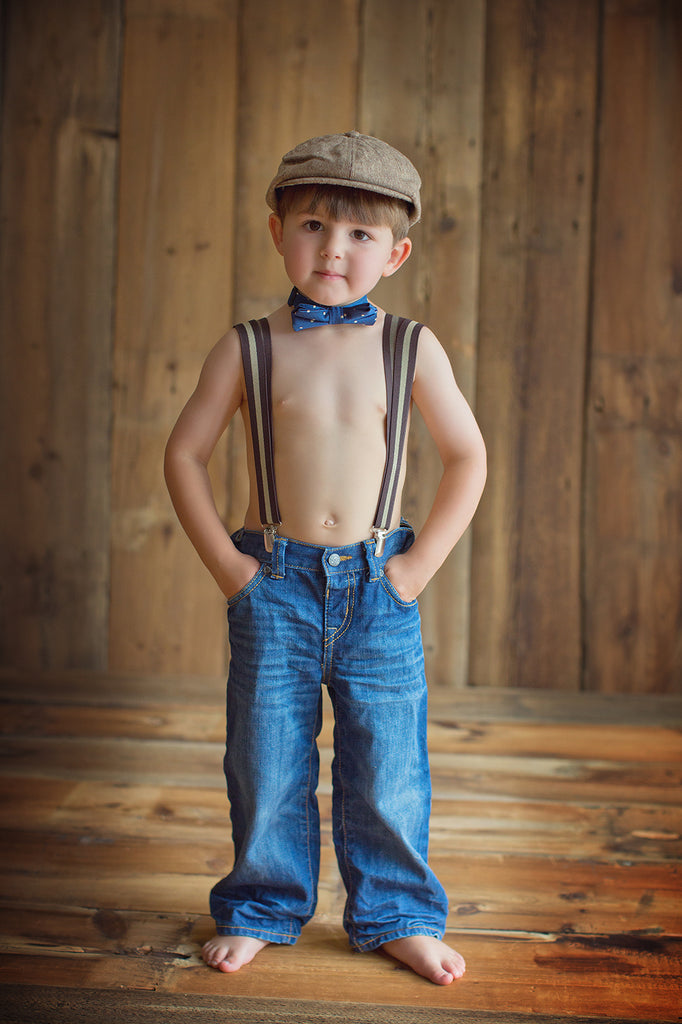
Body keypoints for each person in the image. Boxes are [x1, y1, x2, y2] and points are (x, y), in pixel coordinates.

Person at [164, 131, 486, 985]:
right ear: (277, 231)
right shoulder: (249, 347)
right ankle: (263, 905)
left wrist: (413, 573)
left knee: (388, 760)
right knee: (267, 755)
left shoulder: (410, 346)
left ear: (396, 252)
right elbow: (182, 455)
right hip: (274, 583)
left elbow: (470, 458)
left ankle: (397, 913)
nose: (333, 249)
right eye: (312, 225)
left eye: (358, 235)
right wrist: (233, 572)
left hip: (380, 586)